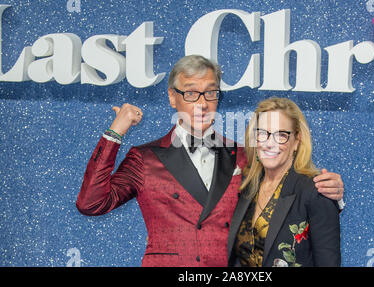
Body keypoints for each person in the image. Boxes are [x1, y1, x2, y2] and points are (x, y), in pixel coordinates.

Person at [76, 55, 344, 267]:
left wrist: (329, 194)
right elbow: (91, 203)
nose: (202, 104)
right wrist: (115, 133)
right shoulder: (144, 158)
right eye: (191, 93)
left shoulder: (243, 155)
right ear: (172, 97)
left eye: (211, 93)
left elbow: (285, 194)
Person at [227, 97, 341, 267]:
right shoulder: (244, 186)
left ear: (297, 141)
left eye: (281, 135)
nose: (269, 144)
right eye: (262, 134)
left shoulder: (316, 191)